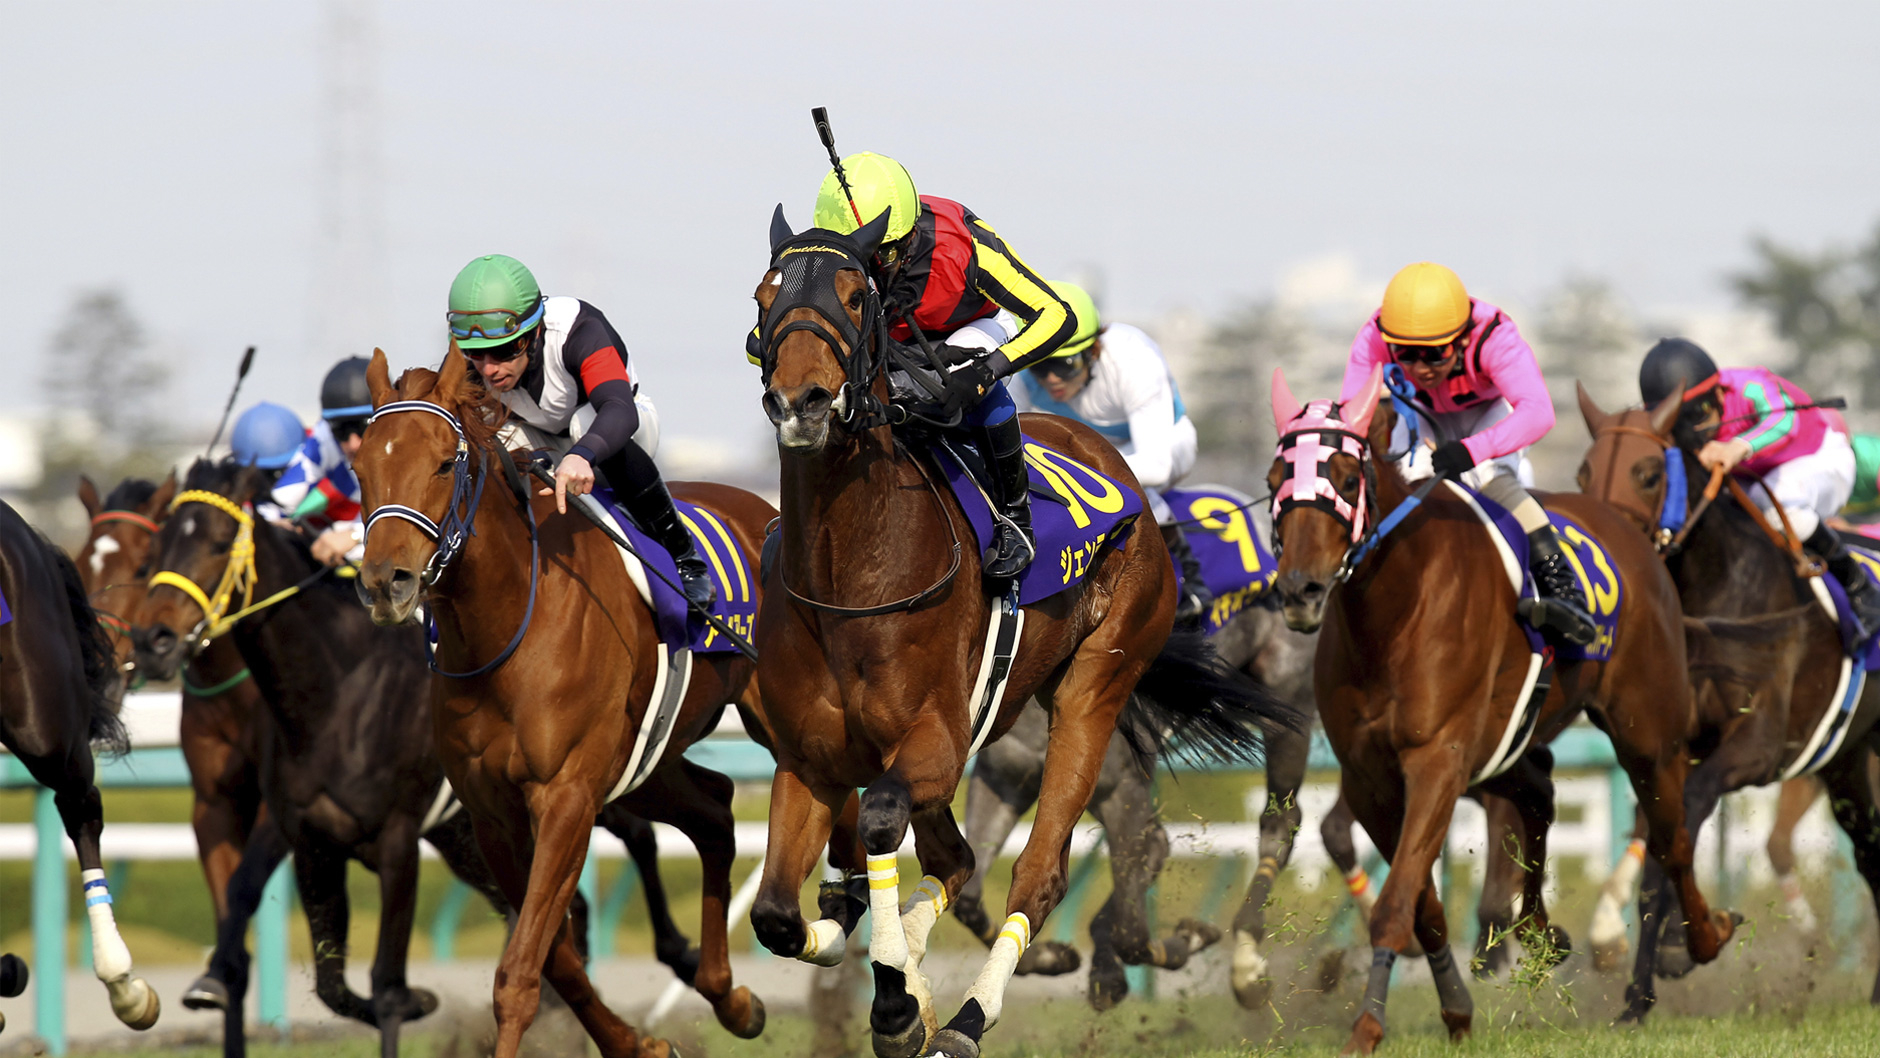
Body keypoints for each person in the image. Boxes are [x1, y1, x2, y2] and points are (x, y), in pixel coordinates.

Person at [779, 152, 1077, 578]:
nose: (872, 267)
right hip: (896, 340)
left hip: (971, 327)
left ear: (910, 234)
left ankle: (1016, 519)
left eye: (883, 253)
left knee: (952, 377)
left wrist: (987, 371)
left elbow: (1058, 315)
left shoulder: (965, 247)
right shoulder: (834, 262)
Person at [1342, 262, 1596, 646]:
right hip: (1422, 413)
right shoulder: (1372, 336)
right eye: (1406, 355)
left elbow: (1538, 412)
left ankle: (1561, 588)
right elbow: (1352, 414)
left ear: (1461, 339)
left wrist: (1473, 450)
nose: (1421, 367)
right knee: (1400, 485)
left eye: (1434, 355)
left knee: (1493, 480)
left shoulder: (1496, 338)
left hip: (1488, 414)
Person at [446, 253, 712, 607]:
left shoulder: (578, 329)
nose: (490, 369)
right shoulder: (479, 369)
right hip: (546, 440)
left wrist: (581, 454)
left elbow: (619, 410)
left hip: (620, 432)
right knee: (482, 444)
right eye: (476, 353)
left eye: (504, 350)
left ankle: (684, 557)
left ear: (535, 331)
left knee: (582, 423)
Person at [1639, 337, 1879, 631]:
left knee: (1776, 505)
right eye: (1677, 422)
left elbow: (1783, 425)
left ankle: (1860, 587)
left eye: (1698, 412)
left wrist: (1736, 447)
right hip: (1758, 481)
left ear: (1718, 393)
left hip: (1822, 459)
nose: (1695, 430)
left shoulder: (1751, 385)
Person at [1011, 280, 1211, 624]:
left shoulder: (1132, 356)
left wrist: (1077, 476)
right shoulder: (1024, 378)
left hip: (1164, 444)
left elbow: (1157, 465)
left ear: (1094, 349)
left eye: (1066, 364)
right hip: (1085, 458)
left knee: (1136, 486)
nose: (1052, 379)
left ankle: (1189, 580)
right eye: (1042, 366)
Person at [270, 357, 370, 567]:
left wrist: (354, 536)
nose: (353, 444)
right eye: (342, 430)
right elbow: (276, 504)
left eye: (363, 427)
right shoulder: (323, 440)